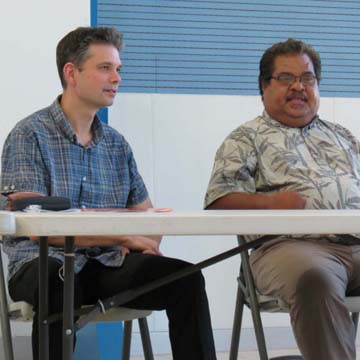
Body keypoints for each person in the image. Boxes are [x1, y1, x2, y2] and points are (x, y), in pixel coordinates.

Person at [1, 26, 216, 360]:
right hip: (41, 263)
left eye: (118, 69)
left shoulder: (116, 144)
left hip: (106, 263)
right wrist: (122, 232)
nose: (116, 78)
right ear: (71, 72)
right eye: (105, 68)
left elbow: (150, 225)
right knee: (61, 283)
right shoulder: (29, 134)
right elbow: (39, 229)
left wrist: (117, 230)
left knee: (186, 279)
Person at [205, 38, 360, 360]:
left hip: (355, 242)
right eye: (286, 78)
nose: (298, 87)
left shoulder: (342, 136)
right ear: (264, 86)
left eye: (307, 78)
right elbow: (219, 200)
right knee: (314, 278)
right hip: (288, 248)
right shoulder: (245, 138)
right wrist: (272, 202)